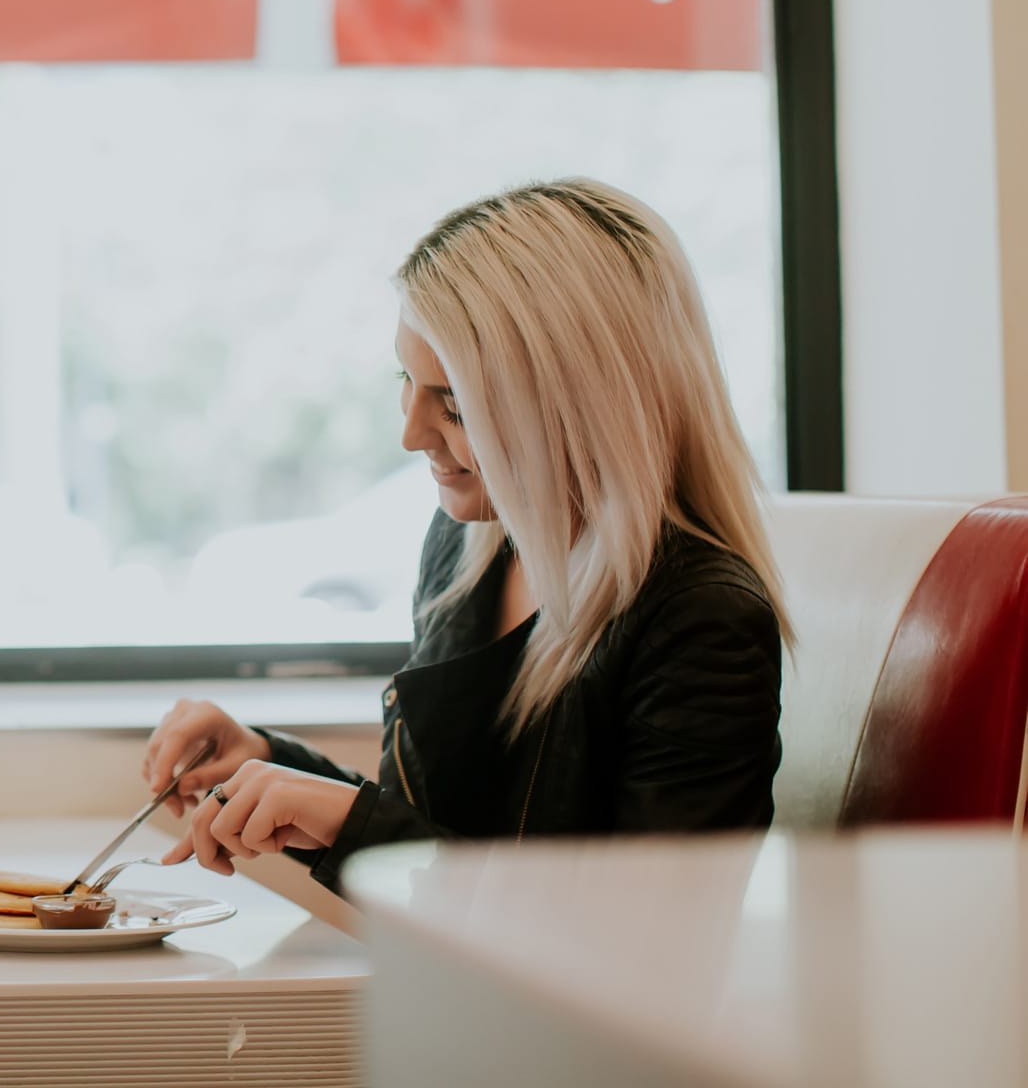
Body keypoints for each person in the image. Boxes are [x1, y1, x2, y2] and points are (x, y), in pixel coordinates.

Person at [142, 179, 790, 893]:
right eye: (407, 382)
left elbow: (649, 939)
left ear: (579, 406)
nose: (411, 432)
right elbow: (444, 837)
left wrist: (351, 820)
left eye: (452, 403)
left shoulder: (702, 623)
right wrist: (269, 763)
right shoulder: (467, 551)